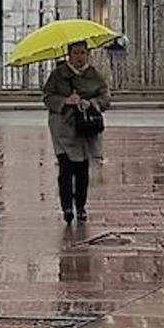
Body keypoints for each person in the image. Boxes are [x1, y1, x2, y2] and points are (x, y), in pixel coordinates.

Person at [41, 40, 110, 225]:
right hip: (62, 129)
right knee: (65, 169)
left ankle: (80, 206)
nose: (79, 57)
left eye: (82, 53)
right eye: (76, 53)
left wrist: (92, 103)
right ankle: (67, 207)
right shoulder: (58, 75)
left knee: (81, 171)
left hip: (85, 129)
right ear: (69, 55)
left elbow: (105, 97)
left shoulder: (94, 75)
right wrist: (65, 101)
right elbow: (47, 97)